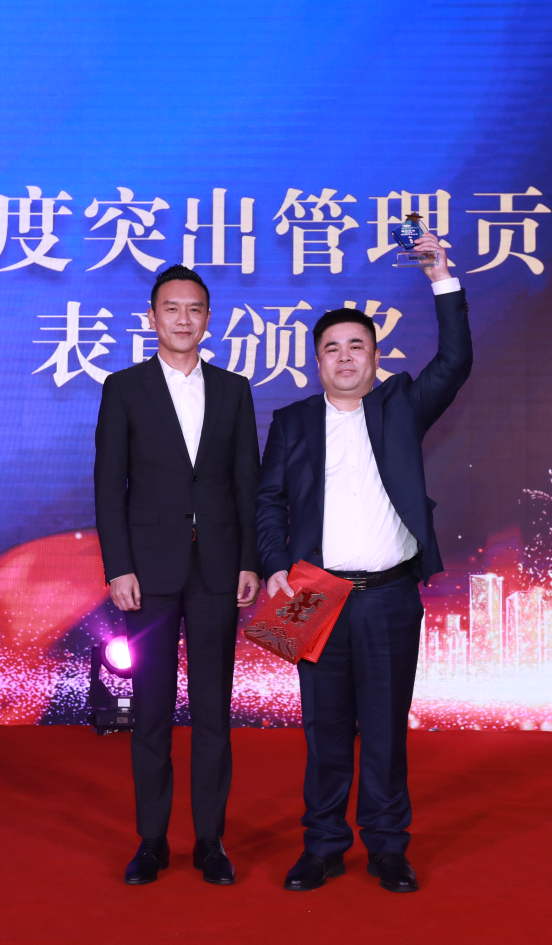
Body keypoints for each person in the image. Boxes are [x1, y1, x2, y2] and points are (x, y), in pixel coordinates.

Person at [256, 233, 471, 893]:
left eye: (357, 346)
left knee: (383, 728)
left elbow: (455, 360)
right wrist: (273, 563)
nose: (345, 357)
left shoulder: (401, 405)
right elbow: (268, 501)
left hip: (388, 594)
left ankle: (386, 846)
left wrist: (440, 276)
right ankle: (322, 845)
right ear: (316, 360)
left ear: (375, 357)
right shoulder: (292, 421)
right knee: (323, 730)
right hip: (313, 593)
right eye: (332, 348)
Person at [93, 264, 262, 886]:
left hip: (218, 569)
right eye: (171, 308)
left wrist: (250, 559)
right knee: (151, 710)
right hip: (149, 573)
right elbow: (109, 486)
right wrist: (119, 567)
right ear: (152, 318)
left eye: (194, 309)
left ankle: (211, 841)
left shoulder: (234, 390)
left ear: (208, 320)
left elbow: (247, 484)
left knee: (214, 710)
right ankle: (152, 840)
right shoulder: (124, 388)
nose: (183, 319)